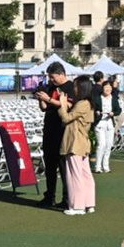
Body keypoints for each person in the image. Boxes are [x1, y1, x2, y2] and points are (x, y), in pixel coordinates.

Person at [35, 62, 75, 208]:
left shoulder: (70, 87)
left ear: (62, 74)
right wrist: (41, 99)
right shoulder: (51, 87)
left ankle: (67, 198)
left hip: (62, 131)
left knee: (64, 167)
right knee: (50, 167)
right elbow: (44, 108)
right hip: (49, 129)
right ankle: (49, 196)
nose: (51, 80)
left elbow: (68, 105)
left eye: (53, 77)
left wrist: (49, 99)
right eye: (50, 78)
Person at [56, 76, 95, 215]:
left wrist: (62, 105)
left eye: (76, 86)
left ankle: (77, 206)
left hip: (75, 142)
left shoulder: (82, 103)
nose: (74, 89)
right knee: (85, 174)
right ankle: (89, 203)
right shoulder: (88, 103)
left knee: (74, 175)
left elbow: (66, 118)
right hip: (83, 141)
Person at [94, 76, 119, 174]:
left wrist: (113, 113)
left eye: (109, 87)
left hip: (110, 123)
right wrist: (97, 112)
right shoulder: (97, 98)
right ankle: (97, 166)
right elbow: (93, 108)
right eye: (106, 87)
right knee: (102, 144)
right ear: (102, 88)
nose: (108, 89)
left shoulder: (114, 99)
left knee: (109, 145)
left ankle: (106, 166)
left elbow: (118, 110)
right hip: (100, 123)